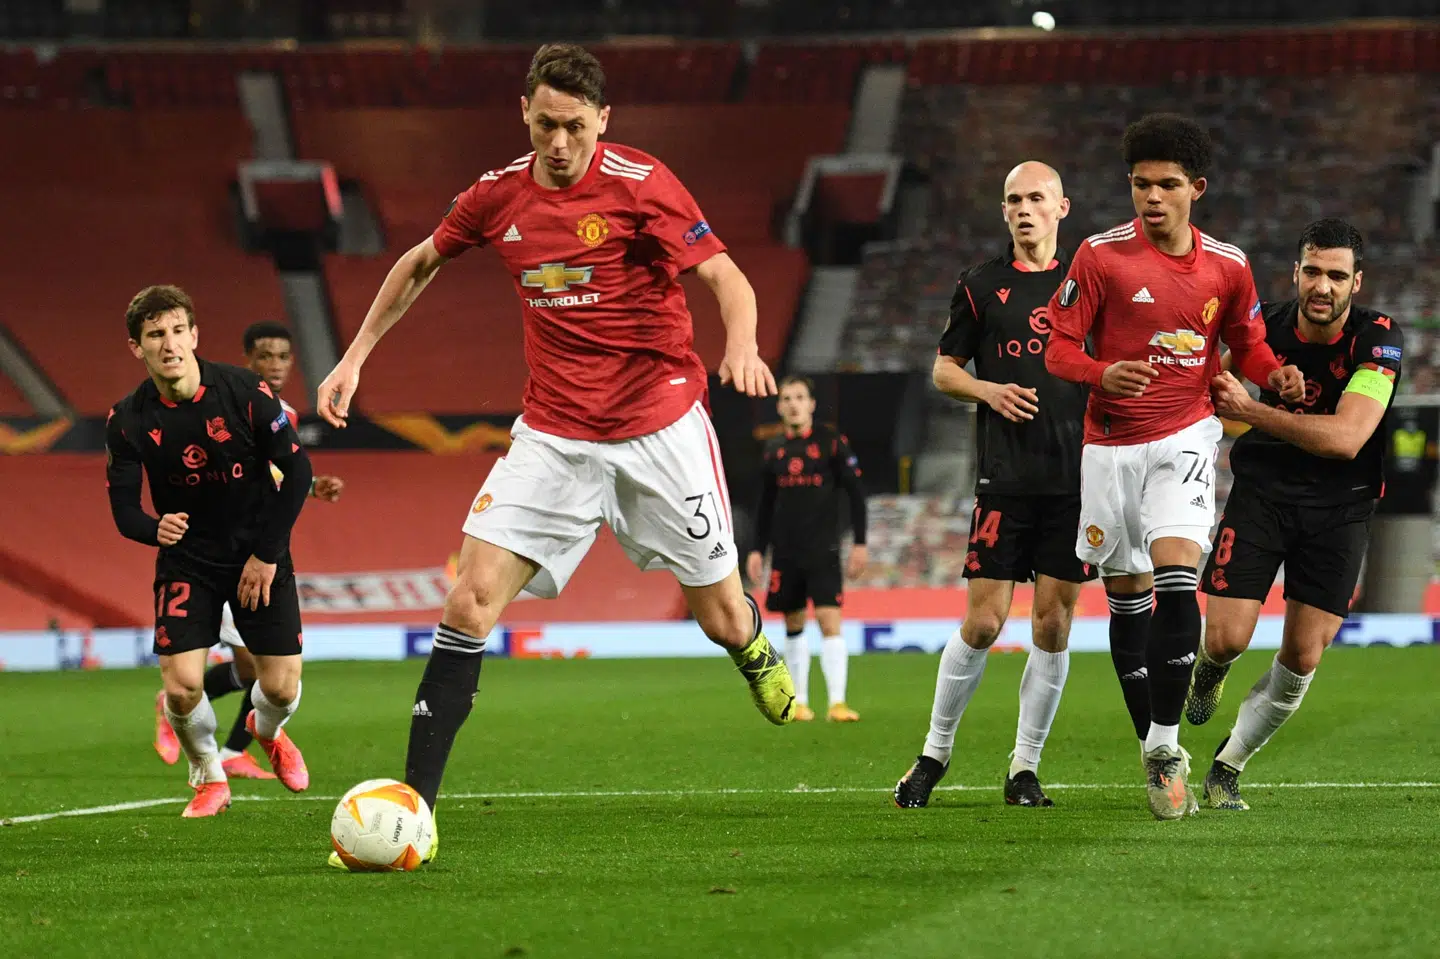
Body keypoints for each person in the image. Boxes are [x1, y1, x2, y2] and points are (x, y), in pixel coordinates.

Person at [315, 43, 792, 866]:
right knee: (468, 601)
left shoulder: (644, 185)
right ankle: (413, 812)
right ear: (524, 116)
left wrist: (742, 345)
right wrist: (355, 355)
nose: (560, 142)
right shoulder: (496, 196)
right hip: (555, 435)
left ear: (602, 120)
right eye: (545, 124)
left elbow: (727, 279)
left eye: (575, 125)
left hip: (660, 428)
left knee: (718, 614)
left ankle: (752, 644)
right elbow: (421, 261)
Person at [1043, 114, 1304, 820]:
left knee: (1178, 573)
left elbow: (1247, 343)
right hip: (1109, 445)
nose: (1150, 197)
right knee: (1126, 599)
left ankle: (1163, 746)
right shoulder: (1100, 258)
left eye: (1165, 185)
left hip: (1186, 436)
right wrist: (1102, 372)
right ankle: (1153, 741)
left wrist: (1273, 376)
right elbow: (1058, 350)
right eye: (1139, 184)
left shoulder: (1228, 263)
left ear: (1197, 188)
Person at [894, 161, 1094, 809]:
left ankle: (1024, 768)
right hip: (1004, 478)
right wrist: (987, 389)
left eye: (1037, 198)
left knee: (1054, 624)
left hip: (1076, 483)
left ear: (1063, 208)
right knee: (982, 622)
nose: (1024, 209)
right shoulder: (980, 285)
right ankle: (933, 753)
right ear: (1003, 211)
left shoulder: (1092, 283)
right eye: (1013, 199)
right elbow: (944, 369)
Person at [1189, 219, 1401, 809]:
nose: (1323, 286)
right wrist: (1236, 405)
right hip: (1263, 495)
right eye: (1313, 272)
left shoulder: (1379, 339)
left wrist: (1257, 414)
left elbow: (1346, 439)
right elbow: (1219, 395)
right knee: (1227, 639)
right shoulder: (1264, 330)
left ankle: (1228, 765)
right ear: (1296, 273)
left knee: (1305, 654)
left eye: (1337, 275)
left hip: (1342, 506)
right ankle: (1210, 669)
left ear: (1357, 283)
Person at [107, 286, 312, 817]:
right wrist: (156, 530)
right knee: (180, 688)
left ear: (195, 336)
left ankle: (264, 731)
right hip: (189, 561)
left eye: (178, 331)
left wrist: (267, 555)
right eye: (155, 335)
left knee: (281, 689)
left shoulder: (244, 391)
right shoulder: (127, 420)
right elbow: (124, 511)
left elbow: (297, 472)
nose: (169, 344)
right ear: (138, 347)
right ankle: (209, 777)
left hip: (257, 557)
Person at [150, 321, 344, 780]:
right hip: (217, 555)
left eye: (283, 357)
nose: (274, 366)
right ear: (247, 359)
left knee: (257, 669)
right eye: (264, 356)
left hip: (261, 552)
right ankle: (213, 736)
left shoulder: (286, 415)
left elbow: (273, 476)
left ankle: (232, 747)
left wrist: (312, 486)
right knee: (257, 669)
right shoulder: (230, 404)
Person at [746, 376, 867, 723]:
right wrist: (757, 550)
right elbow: (765, 505)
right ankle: (798, 703)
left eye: (800, 397)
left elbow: (856, 495)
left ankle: (838, 703)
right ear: (780, 406)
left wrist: (859, 543)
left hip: (823, 549)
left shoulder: (831, 443)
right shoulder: (773, 450)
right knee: (793, 623)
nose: (793, 404)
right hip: (785, 551)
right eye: (787, 398)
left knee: (830, 621)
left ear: (812, 404)